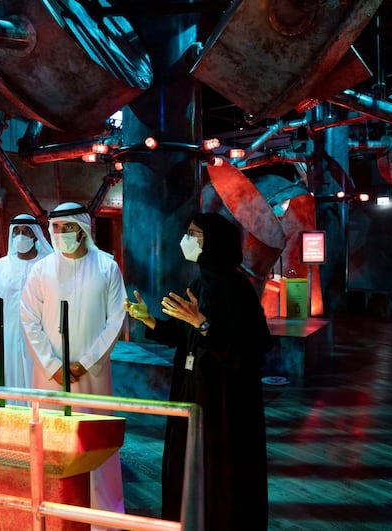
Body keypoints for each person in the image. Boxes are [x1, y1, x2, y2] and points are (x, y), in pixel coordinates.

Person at [125, 212, 272, 531]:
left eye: (194, 234)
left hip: (224, 402)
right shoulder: (199, 282)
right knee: (189, 462)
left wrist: (202, 323)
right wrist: (148, 320)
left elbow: (249, 350)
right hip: (192, 390)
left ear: (214, 243)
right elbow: (181, 335)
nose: (186, 240)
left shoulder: (237, 289)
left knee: (219, 469)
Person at [20, 201, 126, 530]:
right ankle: (55, 507)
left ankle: (103, 515)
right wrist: (53, 364)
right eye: (56, 228)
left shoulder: (107, 267)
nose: (62, 234)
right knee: (53, 442)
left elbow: (116, 319)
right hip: (50, 375)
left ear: (82, 229)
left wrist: (87, 361)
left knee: (96, 440)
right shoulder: (41, 270)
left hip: (92, 375)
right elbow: (29, 318)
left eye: (68, 228)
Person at [0, 213, 53, 405]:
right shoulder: (1, 265)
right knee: (10, 381)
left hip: (39, 336)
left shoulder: (48, 264)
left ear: (35, 235)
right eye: (16, 231)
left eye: (26, 231)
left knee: (38, 384)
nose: (21, 236)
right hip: (8, 335)